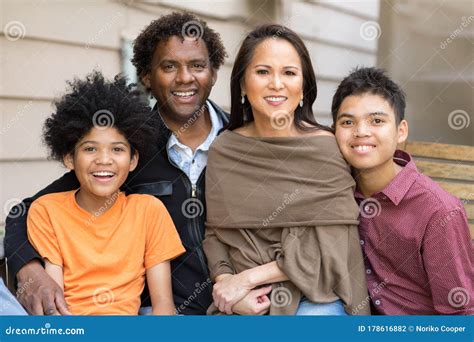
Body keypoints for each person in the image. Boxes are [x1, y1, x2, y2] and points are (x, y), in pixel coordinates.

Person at [4, 12, 230, 315]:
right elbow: (26, 212)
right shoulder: (129, 146)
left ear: (213, 73)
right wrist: (31, 271)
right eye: (168, 66)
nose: (185, 77)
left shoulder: (242, 143)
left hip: (239, 305)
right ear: (147, 77)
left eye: (198, 66)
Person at [202, 24, 369, 315]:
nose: (276, 84)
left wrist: (249, 278)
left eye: (289, 73)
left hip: (316, 292)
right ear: (242, 83)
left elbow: (333, 244)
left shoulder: (327, 149)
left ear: (303, 87)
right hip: (245, 298)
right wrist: (228, 283)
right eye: (263, 72)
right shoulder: (224, 150)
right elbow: (216, 234)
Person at [27, 71, 185, 315]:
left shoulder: (148, 211)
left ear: (133, 160)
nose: (104, 160)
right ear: (70, 158)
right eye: (90, 148)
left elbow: (163, 307)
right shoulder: (46, 210)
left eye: (117, 149)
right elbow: (55, 308)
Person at [332, 67, 473, 315]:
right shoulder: (336, 188)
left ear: (401, 131)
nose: (361, 132)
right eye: (347, 122)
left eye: (377, 120)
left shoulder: (438, 212)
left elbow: (461, 317)